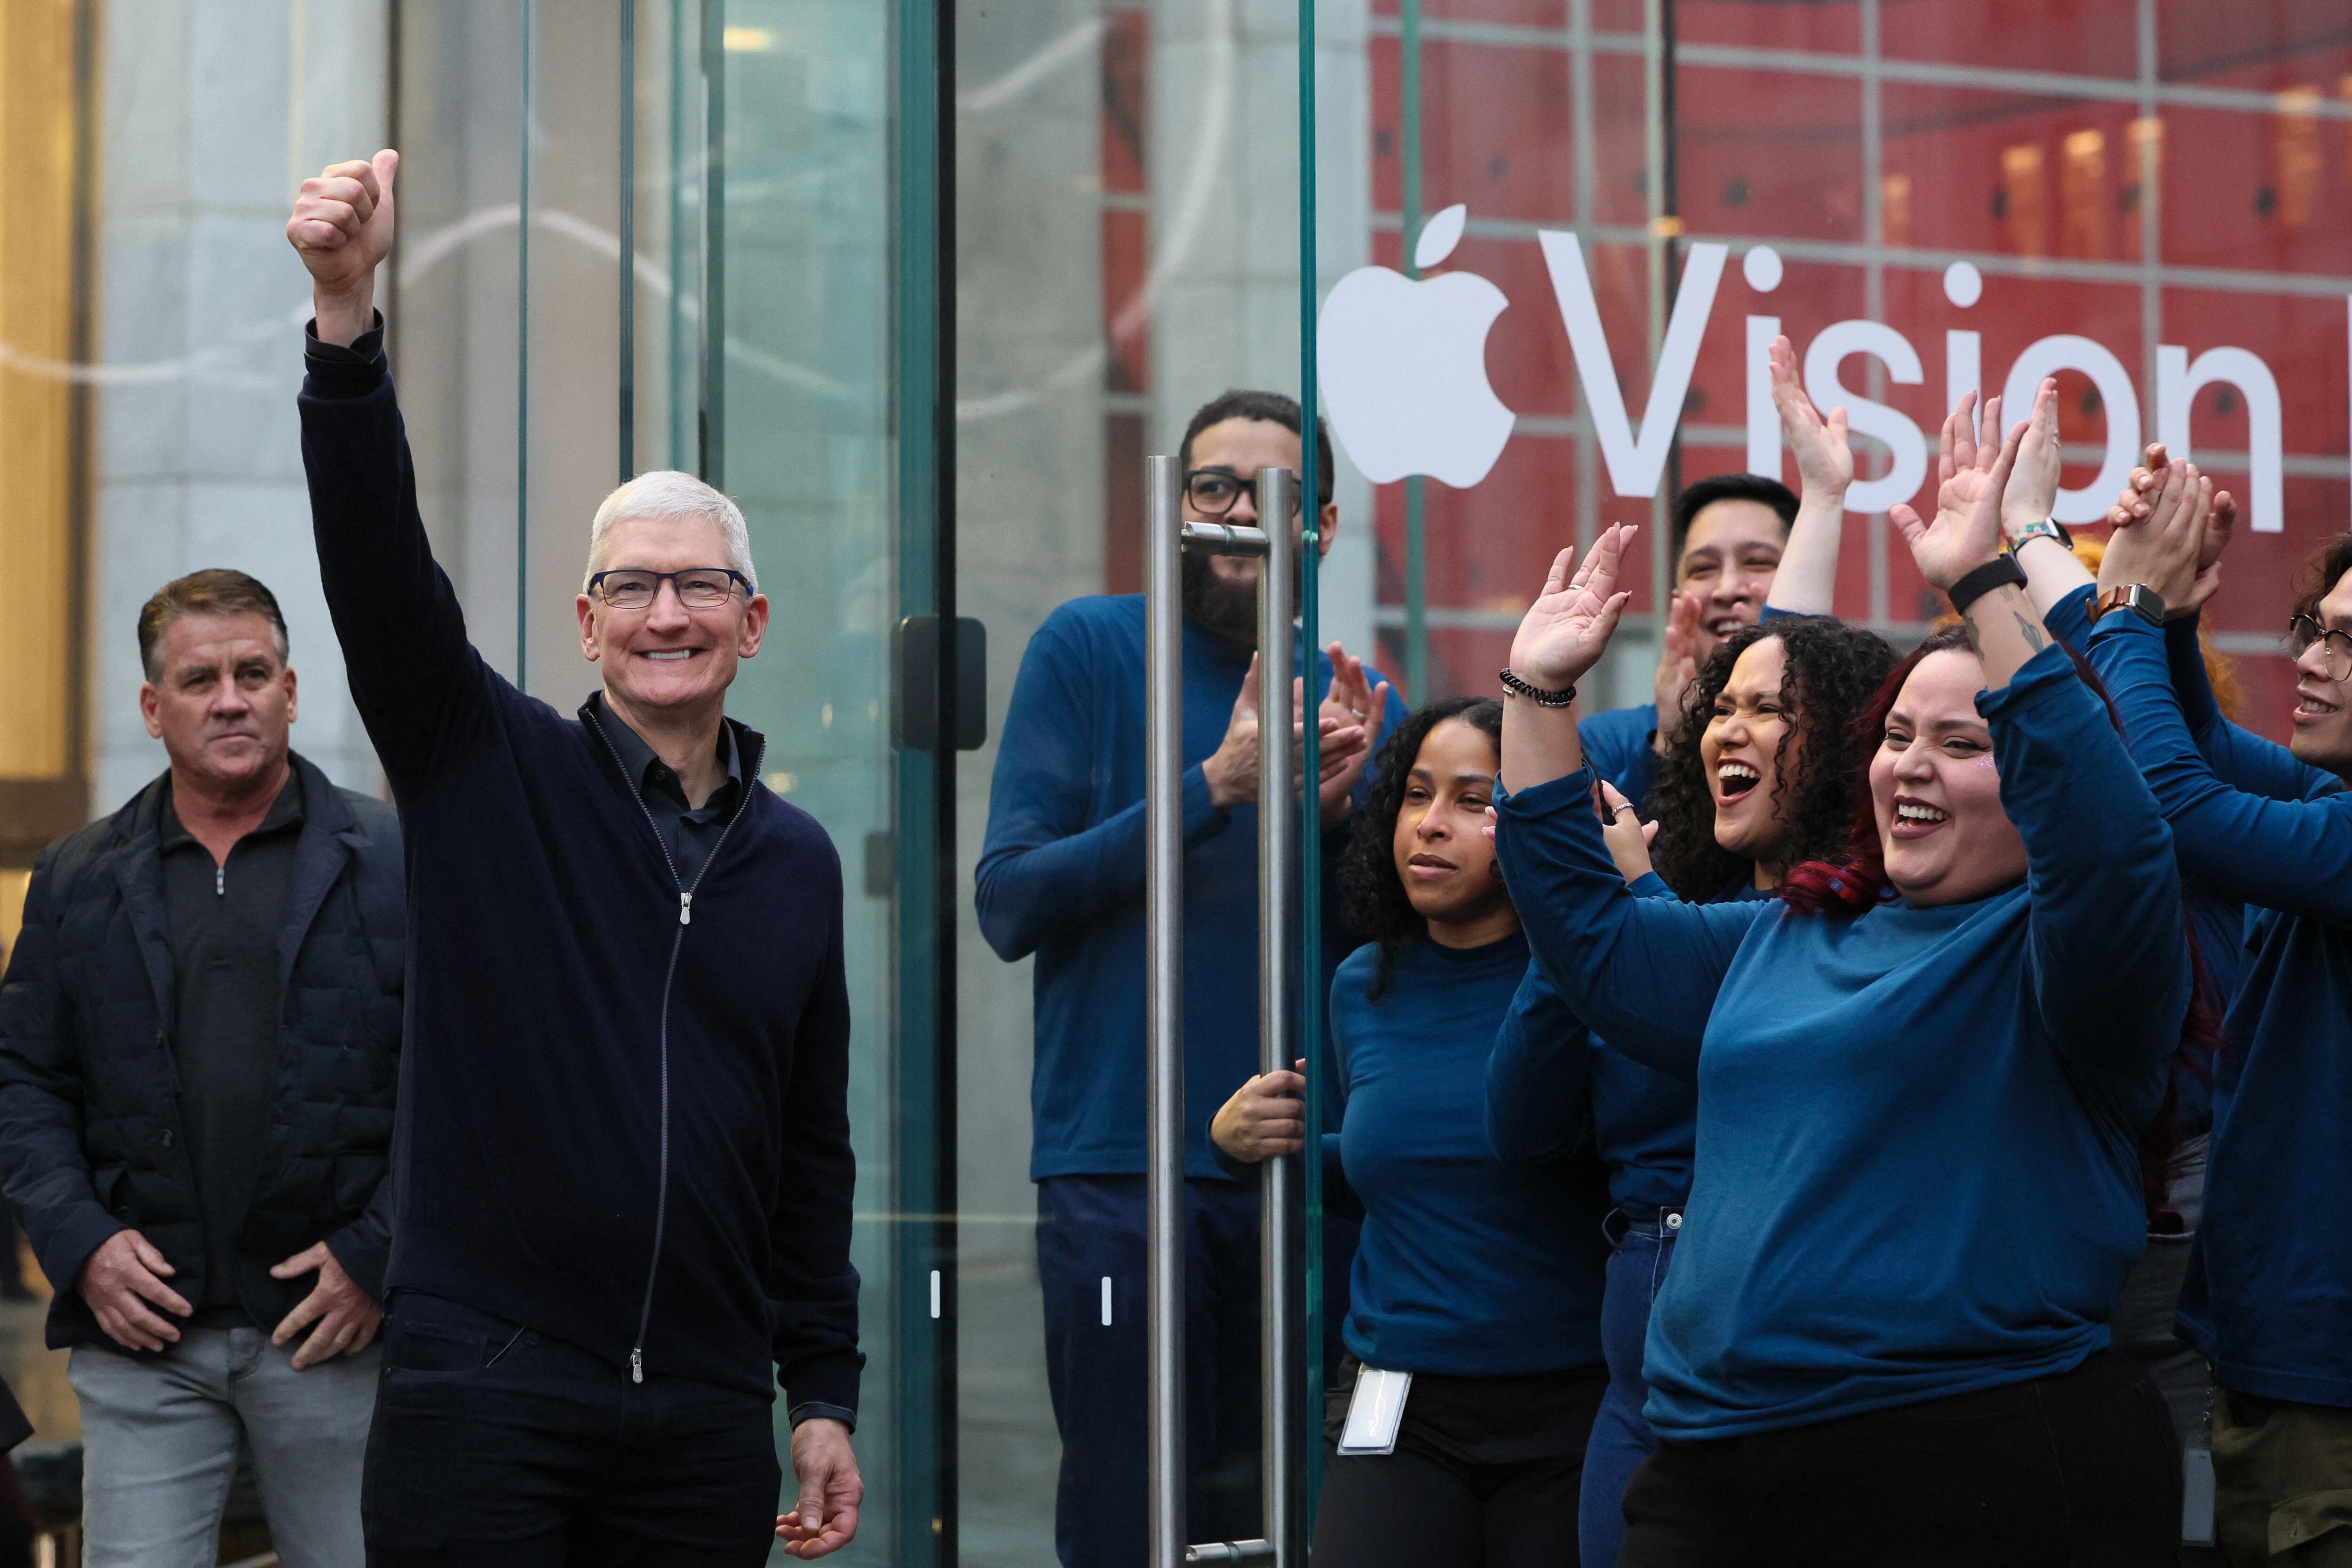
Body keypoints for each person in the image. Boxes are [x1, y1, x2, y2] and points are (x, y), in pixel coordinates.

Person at [1491, 392, 2194, 1563]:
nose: (1910, 765)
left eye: (1964, 743)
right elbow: (1593, 940)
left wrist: (1987, 588)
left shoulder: (2071, 957)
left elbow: (2116, 838)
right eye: (1896, 736)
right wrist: (1537, 695)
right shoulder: (1786, 931)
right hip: (1712, 1471)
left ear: (2035, 768)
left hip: (1971, 1466)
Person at [286, 151, 862, 1564]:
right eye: (632, 587)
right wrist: (346, 320)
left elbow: (809, 1152)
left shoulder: (793, 860)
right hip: (485, 1390)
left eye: (699, 584)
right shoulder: (487, 765)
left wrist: (825, 1390)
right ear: (586, 624)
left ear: (754, 619)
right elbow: (374, 567)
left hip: (703, 1417)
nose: (667, 611)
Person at [976, 387, 1405, 1567]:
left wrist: (1328, 825)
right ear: (1175, 506)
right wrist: (1214, 786)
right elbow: (1008, 900)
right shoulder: (1090, 645)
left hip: (1308, 1178)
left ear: (1317, 527)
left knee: (1305, 1518)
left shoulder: (1361, 706)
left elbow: (1404, 963)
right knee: (1131, 1515)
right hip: (1127, 1169)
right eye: (1213, 489)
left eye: (1268, 497)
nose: (1235, 518)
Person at [1485, 333, 1895, 1568]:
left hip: (1798, 1365)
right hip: (1636, 1365)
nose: (1738, 725)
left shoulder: (1855, 922)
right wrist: (1602, 917)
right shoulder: (1649, 881)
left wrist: (1825, 494)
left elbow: (1817, 685)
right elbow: (1522, 1117)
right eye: (1721, 708)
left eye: (1764, 713)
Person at [0, 569, 403, 1568]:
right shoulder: (77, 876)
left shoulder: (392, 859)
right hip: (143, 1341)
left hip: (335, 1333)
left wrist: (378, 1253)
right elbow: (25, 1081)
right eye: (200, 678)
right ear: (152, 707)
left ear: (292, 691)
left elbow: (460, 1085)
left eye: (253, 672)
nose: (231, 697)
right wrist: (81, 1240)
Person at [1211, 696, 1612, 1567]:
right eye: (1417, 794)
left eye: (1475, 801)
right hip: (1398, 1393)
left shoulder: (1589, 976)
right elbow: (1400, 1174)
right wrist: (1249, 1143)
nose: (1431, 825)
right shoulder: (1365, 983)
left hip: (1568, 1403)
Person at [2082, 454, 2352, 1567]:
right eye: (2314, 626)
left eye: (2347, 644)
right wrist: (2176, 617)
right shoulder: (2336, 802)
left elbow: (2175, 808)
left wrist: (2132, 612)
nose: (2308, 659)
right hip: (2277, 1362)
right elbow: (2196, 756)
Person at [1578, 470, 1801, 812]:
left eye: (1757, 562)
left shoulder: (1856, 736)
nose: (1728, 589)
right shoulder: (1605, 744)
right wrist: (1670, 748)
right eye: (1703, 569)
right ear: (1677, 597)